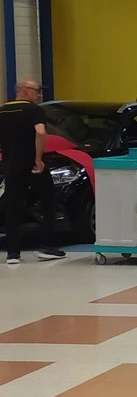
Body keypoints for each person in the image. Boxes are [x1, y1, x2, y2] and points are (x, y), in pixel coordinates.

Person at [0, 80, 66, 264]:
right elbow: (40, 132)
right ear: (25, 91)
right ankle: (48, 246)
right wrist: (38, 158)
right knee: (48, 202)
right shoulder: (34, 110)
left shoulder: (2, 111)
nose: (39, 95)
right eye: (37, 91)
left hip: (11, 166)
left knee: (13, 208)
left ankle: (13, 254)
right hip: (32, 166)